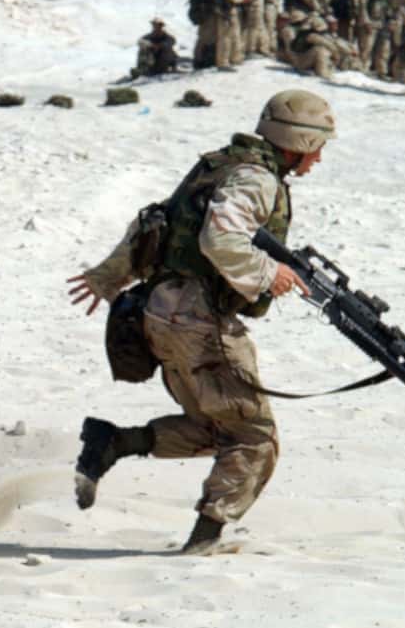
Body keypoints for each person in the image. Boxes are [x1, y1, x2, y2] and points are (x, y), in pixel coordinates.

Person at [68, 89, 336, 554]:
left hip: (160, 312)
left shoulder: (222, 165)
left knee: (217, 427)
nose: (318, 159)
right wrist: (270, 273)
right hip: (197, 320)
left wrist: (110, 275)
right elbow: (219, 241)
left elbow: (158, 222)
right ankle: (204, 540)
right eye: (318, 147)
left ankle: (113, 442)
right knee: (254, 437)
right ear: (300, 141)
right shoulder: (256, 179)